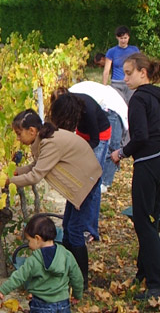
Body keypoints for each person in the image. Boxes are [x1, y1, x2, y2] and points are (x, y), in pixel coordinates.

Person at [9, 106, 101, 290]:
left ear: (32, 131)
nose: (18, 139)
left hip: (85, 183)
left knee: (74, 232)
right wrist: (15, 171)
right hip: (82, 182)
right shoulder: (44, 141)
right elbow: (35, 165)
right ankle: (68, 272)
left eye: (19, 134)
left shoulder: (50, 143)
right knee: (68, 227)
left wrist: (8, 181)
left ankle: (80, 282)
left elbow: (36, 175)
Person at [110, 53, 160, 300]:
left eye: (128, 73)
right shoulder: (159, 96)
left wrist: (121, 153)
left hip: (147, 164)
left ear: (143, 73)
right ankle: (144, 273)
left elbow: (140, 137)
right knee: (152, 218)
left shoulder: (138, 99)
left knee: (142, 221)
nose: (125, 78)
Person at [0, 214, 84, 312]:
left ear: (37, 239)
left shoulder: (34, 260)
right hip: (63, 304)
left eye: (29, 240)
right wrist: (77, 294)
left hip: (41, 304)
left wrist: (2, 291)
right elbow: (77, 277)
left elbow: (18, 277)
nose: (29, 244)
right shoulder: (67, 255)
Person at [51, 88, 110, 243]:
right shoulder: (69, 106)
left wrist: (76, 152)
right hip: (84, 135)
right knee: (78, 180)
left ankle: (90, 229)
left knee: (92, 181)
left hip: (100, 137)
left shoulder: (88, 109)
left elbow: (95, 141)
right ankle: (73, 222)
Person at [69, 81, 128, 193]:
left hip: (111, 106)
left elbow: (95, 137)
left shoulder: (80, 103)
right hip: (101, 105)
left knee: (111, 147)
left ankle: (104, 182)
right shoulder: (72, 98)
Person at [102, 25, 140, 104]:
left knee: (132, 104)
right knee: (118, 105)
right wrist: (104, 87)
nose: (123, 41)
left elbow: (139, 67)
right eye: (121, 38)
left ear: (129, 37)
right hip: (117, 83)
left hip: (131, 83)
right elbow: (106, 70)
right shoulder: (111, 52)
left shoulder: (134, 50)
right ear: (117, 38)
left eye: (125, 38)